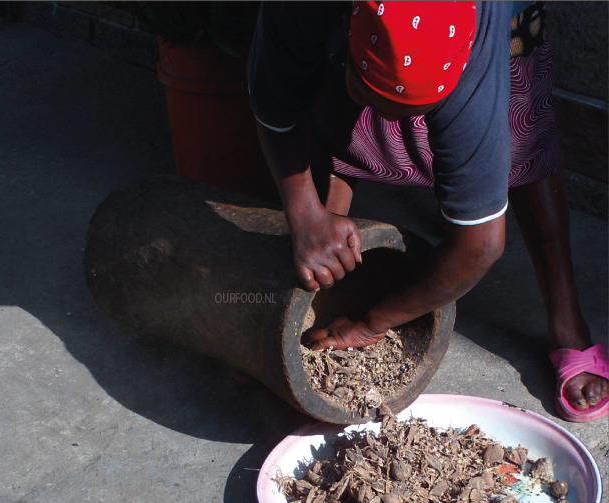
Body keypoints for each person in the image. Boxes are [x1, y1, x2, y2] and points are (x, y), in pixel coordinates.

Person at [247, 1, 608, 422]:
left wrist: (373, 322)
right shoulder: (302, 9)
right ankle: (318, 281)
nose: (389, 119)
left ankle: (565, 316)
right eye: (368, 93)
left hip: (480, 25)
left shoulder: (478, 47)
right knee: (331, 113)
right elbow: (275, 100)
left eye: (415, 114)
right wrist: (305, 214)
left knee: (519, 133)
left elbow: (481, 245)